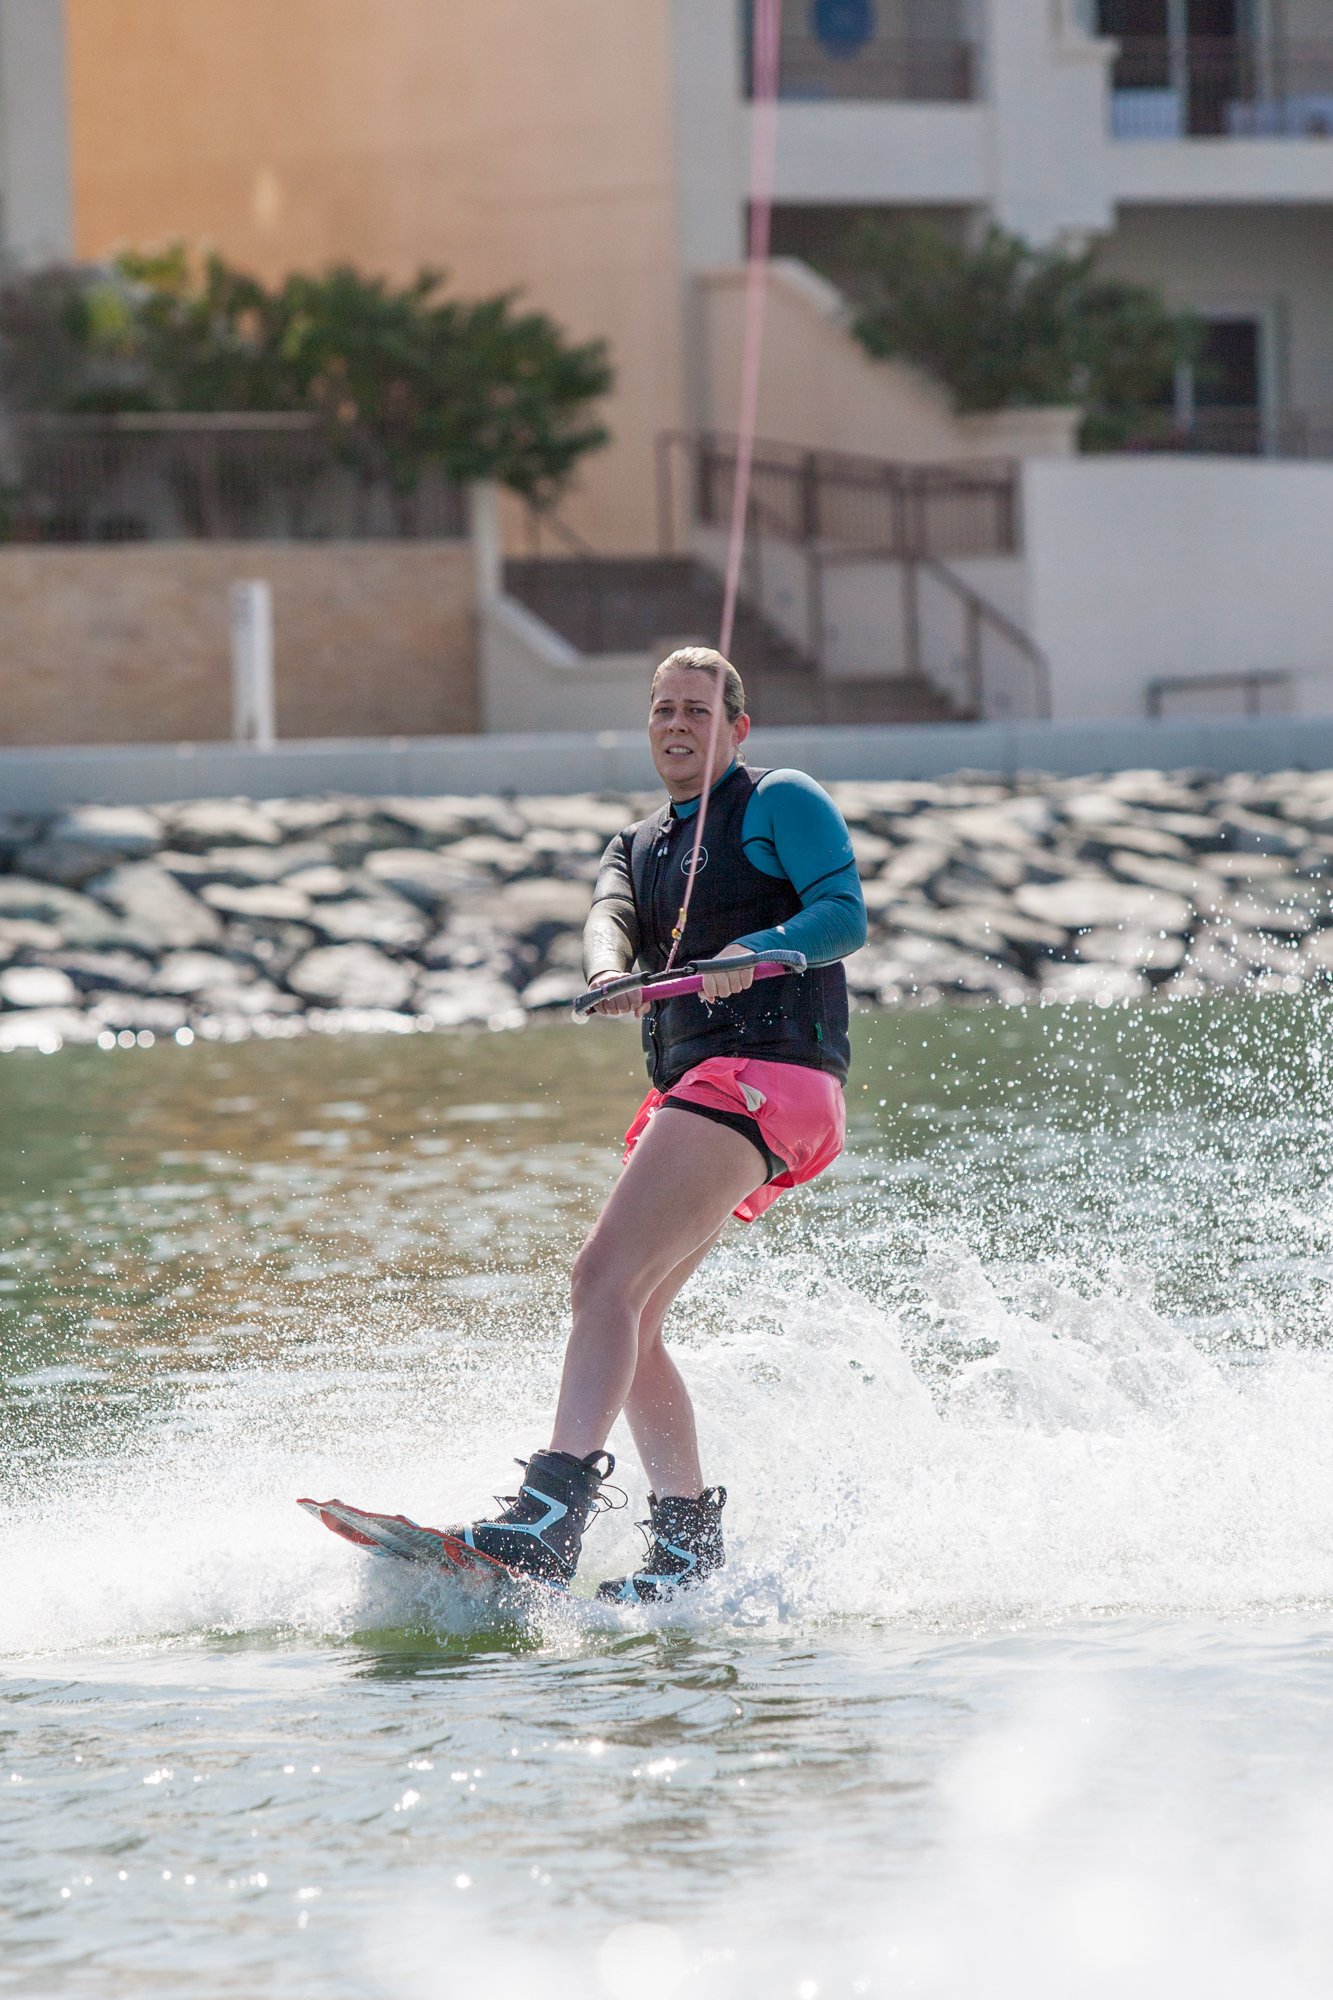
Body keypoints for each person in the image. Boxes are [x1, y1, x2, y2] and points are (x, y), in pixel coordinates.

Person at [443, 646, 867, 1600]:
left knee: (598, 1280)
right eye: (662, 709)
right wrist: (608, 973)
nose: (677, 724)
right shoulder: (635, 844)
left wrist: (759, 950)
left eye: (697, 710)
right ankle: (684, 1552)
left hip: (767, 1073)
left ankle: (548, 1515)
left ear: (737, 728)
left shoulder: (779, 800)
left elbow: (843, 915)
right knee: (630, 1316)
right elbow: (609, 916)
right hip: (708, 1088)